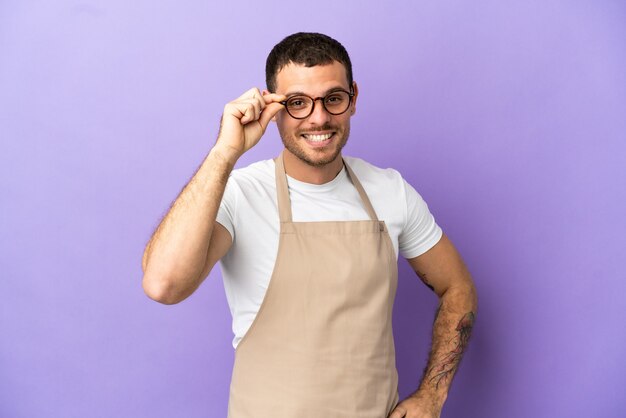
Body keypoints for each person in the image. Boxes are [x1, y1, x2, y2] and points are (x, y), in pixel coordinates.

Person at [142, 32, 478, 418]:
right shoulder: (239, 193)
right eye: (297, 103)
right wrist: (224, 152)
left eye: (333, 98)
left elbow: (458, 287)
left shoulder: (390, 191)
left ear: (353, 98)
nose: (319, 118)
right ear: (273, 107)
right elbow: (163, 286)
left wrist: (432, 396)